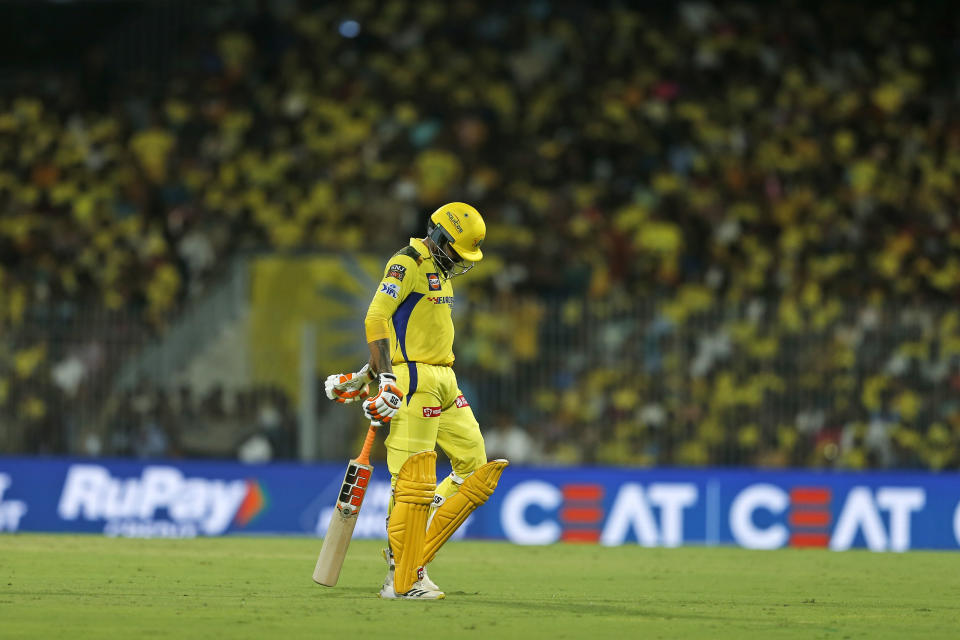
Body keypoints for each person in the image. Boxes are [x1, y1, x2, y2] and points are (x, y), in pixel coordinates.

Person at [324, 203, 508, 600]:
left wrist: (365, 374)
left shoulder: (441, 272)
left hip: (445, 378)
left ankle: (412, 548)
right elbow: (377, 317)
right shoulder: (406, 262)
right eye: (456, 250)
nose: (459, 260)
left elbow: (411, 334)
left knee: (475, 470)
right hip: (413, 381)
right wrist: (386, 377)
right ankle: (401, 578)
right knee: (412, 481)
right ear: (439, 236)